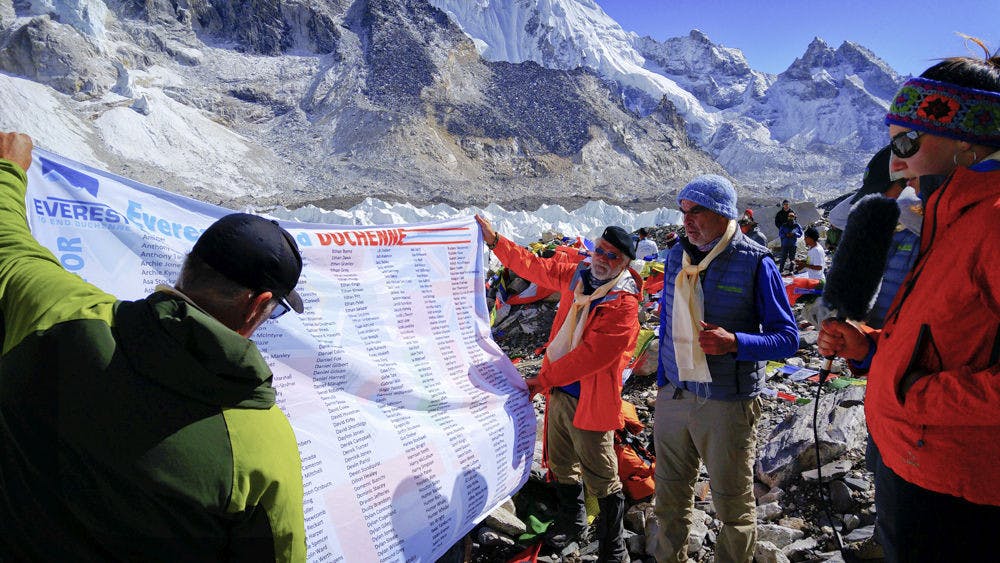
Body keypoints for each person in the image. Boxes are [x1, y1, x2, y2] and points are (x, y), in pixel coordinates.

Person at [0, 132, 307, 560]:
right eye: (275, 311)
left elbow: (9, 247)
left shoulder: (61, 315)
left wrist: (7, 171)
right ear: (256, 306)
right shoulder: (262, 447)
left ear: (188, 267)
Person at [817, 47, 1000, 562]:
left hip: (959, 486)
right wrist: (872, 348)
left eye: (908, 140)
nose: (894, 160)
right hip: (918, 462)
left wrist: (913, 396)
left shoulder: (992, 220)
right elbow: (952, 338)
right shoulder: (952, 215)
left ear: (967, 138)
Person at [476, 215, 640, 562]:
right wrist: (495, 242)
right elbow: (534, 267)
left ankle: (614, 547)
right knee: (562, 462)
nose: (603, 259)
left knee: (601, 471)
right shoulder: (578, 275)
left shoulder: (623, 303)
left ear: (625, 265)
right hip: (561, 393)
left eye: (613, 257)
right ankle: (572, 521)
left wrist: (543, 379)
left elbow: (591, 357)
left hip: (591, 398)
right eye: (602, 250)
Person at [653, 175, 798, 562]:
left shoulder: (755, 262)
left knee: (732, 507)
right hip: (674, 397)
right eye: (684, 211)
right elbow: (667, 320)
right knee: (669, 499)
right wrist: (664, 384)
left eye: (697, 211)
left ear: (722, 214)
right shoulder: (675, 257)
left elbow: (787, 338)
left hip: (726, 403)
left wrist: (736, 342)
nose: (687, 220)